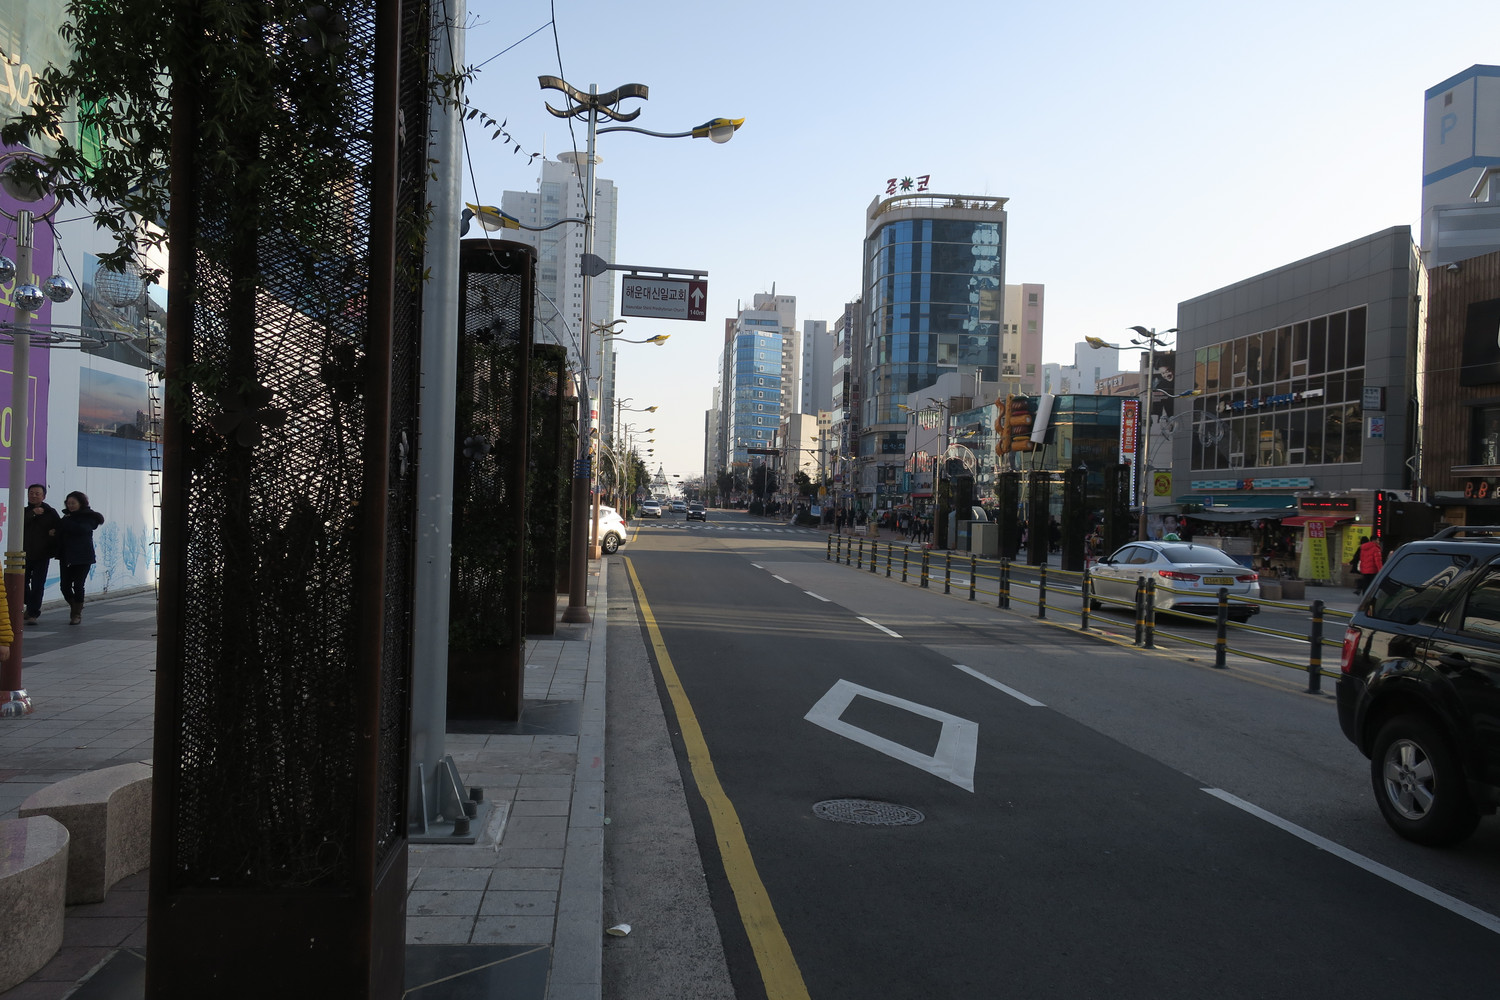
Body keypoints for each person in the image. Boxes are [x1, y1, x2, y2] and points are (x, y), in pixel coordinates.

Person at [54, 491, 104, 625]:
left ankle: (76, 614)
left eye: (73, 503)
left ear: (81, 503)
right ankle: (75, 606)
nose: (70, 505)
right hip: (66, 556)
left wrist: (67, 522)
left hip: (83, 556)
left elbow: (82, 529)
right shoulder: (66, 517)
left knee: (78, 585)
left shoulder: (89, 517)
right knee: (64, 586)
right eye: (68, 503)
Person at [22, 484, 60, 624]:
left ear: (43, 496)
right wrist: (33, 514)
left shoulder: (50, 512)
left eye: (37, 493)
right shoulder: (24, 511)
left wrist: (54, 533)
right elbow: (18, 524)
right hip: (24, 554)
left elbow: (60, 528)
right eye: (31, 493)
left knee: (38, 585)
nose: (33, 495)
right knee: (22, 584)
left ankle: (33, 613)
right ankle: (31, 604)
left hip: (42, 554)